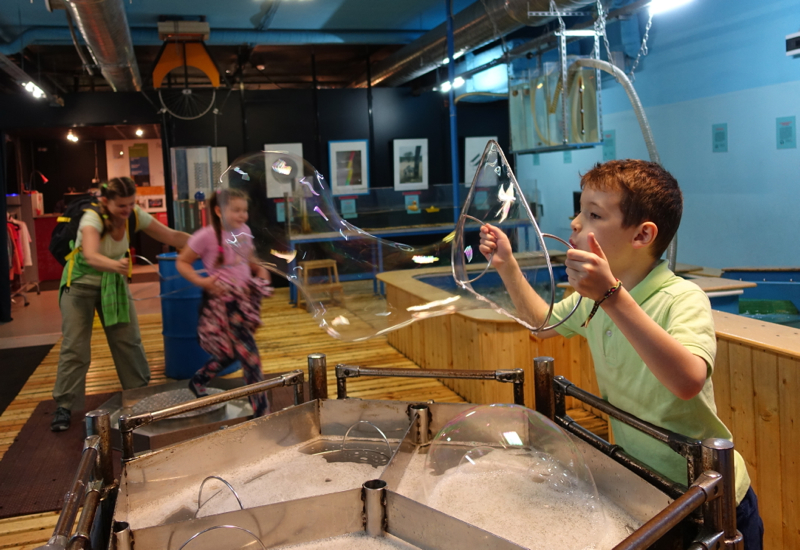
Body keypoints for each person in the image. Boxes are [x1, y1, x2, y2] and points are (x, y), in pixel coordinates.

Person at [479, 159, 764, 548]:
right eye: (579, 210)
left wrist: (611, 297)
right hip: (646, 489)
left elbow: (687, 380)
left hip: (709, 498)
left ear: (642, 235)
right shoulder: (591, 299)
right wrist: (507, 266)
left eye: (594, 214)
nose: (576, 223)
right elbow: (543, 325)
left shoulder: (681, 298)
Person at [51, 177, 190, 431]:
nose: (127, 211)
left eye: (131, 204)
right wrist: (114, 264)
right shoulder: (92, 218)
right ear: (106, 201)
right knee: (76, 347)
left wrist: (204, 243)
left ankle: (139, 395)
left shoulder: (134, 215)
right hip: (80, 284)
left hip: (113, 284)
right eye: (121, 206)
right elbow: (91, 255)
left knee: (128, 341)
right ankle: (65, 405)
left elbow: (170, 235)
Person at [175, 188, 273, 417]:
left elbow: (249, 260)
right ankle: (261, 410)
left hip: (243, 301)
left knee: (229, 353)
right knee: (250, 357)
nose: (242, 215)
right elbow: (182, 262)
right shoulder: (206, 236)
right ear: (219, 211)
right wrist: (204, 282)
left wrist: (260, 270)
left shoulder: (245, 231)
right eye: (236, 210)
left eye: (245, 210)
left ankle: (199, 380)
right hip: (224, 304)